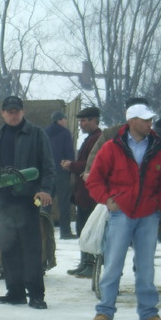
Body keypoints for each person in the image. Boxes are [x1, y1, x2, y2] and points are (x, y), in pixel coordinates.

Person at [86, 103, 161, 320]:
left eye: (150, 120)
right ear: (132, 121)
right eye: (145, 120)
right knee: (113, 264)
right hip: (121, 214)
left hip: (148, 215)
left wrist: (158, 204)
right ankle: (105, 310)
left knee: (146, 266)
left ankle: (148, 312)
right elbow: (95, 180)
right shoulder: (111, 148)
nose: (149, 124)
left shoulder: (159, 148)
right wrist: (107, 199)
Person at [0, 95, 55, 310]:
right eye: (9, 111)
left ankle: (36, 294)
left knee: (31, 248)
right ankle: (15, 291)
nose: (13, 114)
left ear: (23, 112)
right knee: (8, 247)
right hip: (2, 200)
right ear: (2, 113)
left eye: (16, 111)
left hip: (27, 199)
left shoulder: (36, 134)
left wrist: (44, 189)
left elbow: (48, 166)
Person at [61, 106, 102, 278]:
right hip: (83, 192)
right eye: (80, 121)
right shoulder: (90, 138)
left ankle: (91, 264)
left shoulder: (98, 139)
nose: (81, 124)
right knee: (83, 229)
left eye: (84, 120)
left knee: (90, 229)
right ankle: (85, 262)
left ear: (94, 120)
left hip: (91, 193)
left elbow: (91, 164)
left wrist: (72, 165)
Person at [44, 111, 74, 239]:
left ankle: (43, 230)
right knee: (64, 203)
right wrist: (71, 165)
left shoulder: (44, 133)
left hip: (48, 172)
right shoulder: (65, 133)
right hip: (62, 171)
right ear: (58, 120)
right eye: (64, 119)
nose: (66, 122)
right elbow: (69, 150)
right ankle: (65, 231)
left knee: (45, 202)